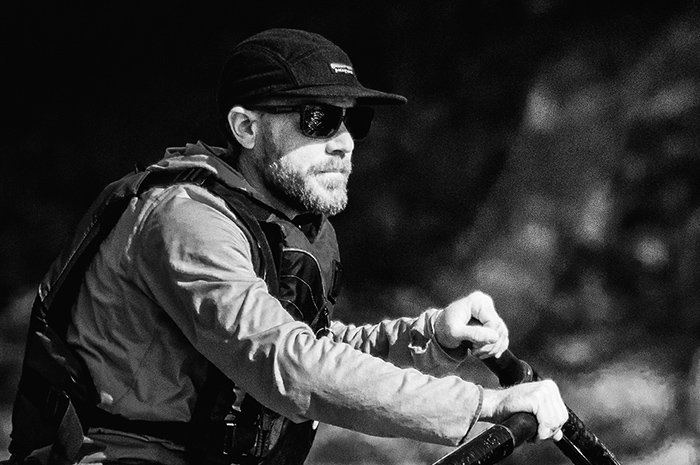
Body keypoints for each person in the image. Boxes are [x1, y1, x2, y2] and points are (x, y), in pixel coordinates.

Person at [4, 28, 568, 465]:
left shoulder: (289, 221)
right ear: (246, 129)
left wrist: (431, 339)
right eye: (317, 119)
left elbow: (317, 345)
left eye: (353, 122)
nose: (344, 143)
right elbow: (283, 363)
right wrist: (483, 405)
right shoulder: (183, 221)